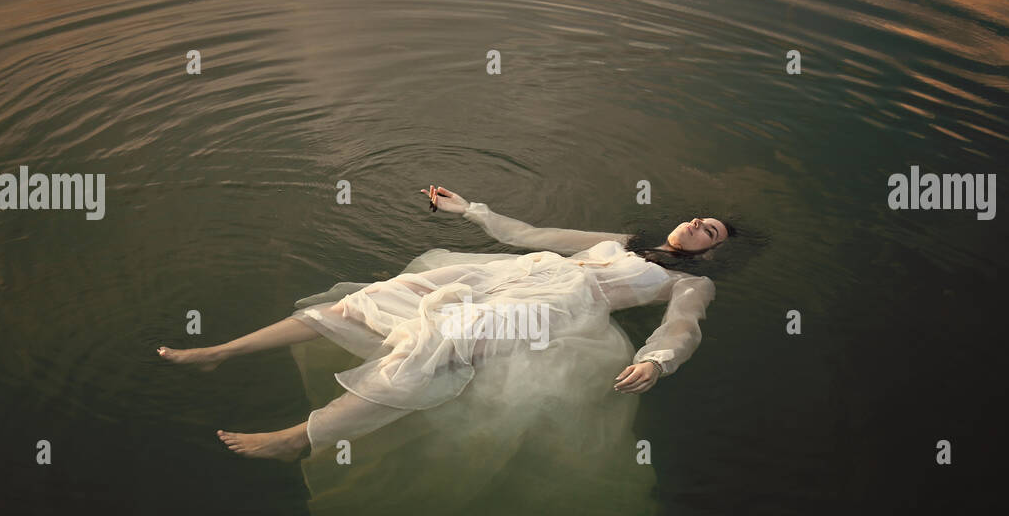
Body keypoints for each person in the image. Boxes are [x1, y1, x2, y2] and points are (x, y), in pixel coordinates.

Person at [158, 186, 733, 463]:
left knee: (439, 347)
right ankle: (222, 352)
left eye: (710, 231)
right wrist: (471, 211)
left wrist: (657, 360)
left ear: (709, 255)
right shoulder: (618, 240)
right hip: (507, 276)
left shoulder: (689, 282)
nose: (697, 224)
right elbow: (530, 237)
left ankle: (303, 438)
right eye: (699, 218)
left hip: (557, 310)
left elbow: (683, 328)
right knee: (365, 301)